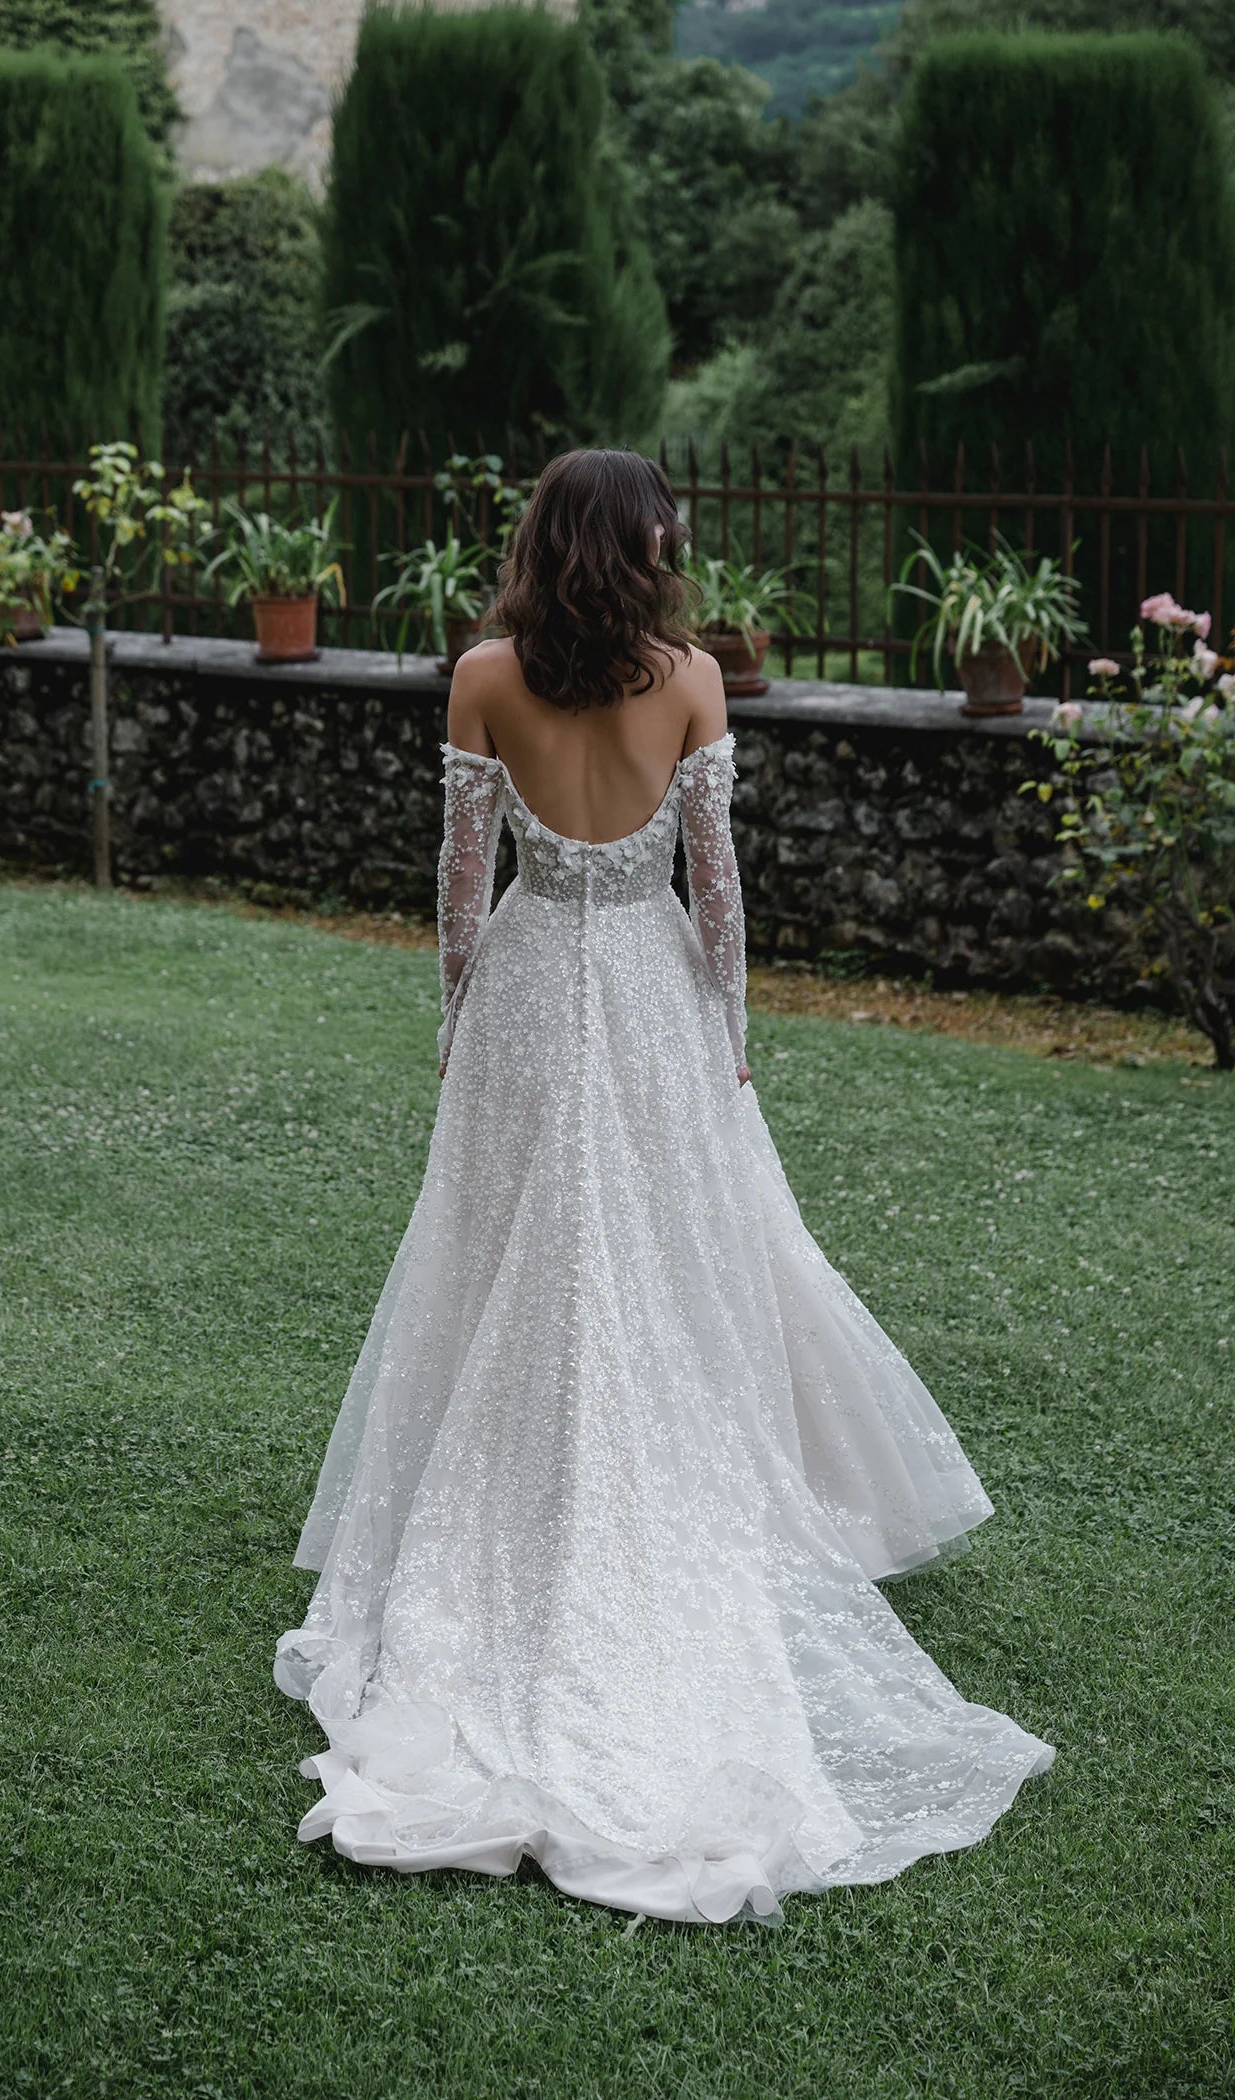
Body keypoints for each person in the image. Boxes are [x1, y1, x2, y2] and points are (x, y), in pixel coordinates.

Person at [273, 448, 1054, 1926]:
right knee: (655, 1256)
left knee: (508, 1250)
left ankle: (510, 1501)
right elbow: (720, 885)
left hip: (522, 989)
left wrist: (458, 1018)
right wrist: (732, 1042)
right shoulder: (692, 675)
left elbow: (458, 880)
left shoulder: (483, 673)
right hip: (647, 988)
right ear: (640, 545)